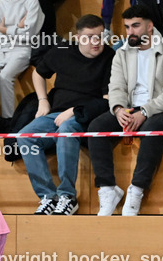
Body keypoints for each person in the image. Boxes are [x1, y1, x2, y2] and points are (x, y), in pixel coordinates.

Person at [89, 5, 163, 216]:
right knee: (96, 127)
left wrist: (144, 110)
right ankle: (107, 189)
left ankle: (137, 190)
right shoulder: (121, 54)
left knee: (153, 127)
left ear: (150, 26)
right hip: (130, 108)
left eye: (135, 26)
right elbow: (115, 88)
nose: (130, 32)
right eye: (126, 27)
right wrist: (118, 109)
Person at [19, 15, 115, 216]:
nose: (96, 42)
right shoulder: (62, 50)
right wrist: (42, 100)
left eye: (99, 36)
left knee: (67, 129)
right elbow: (38, 73)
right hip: (55, 112)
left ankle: (67, 196)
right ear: (78, 38)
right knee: (25, 137)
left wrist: (73, 111)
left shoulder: (109, 56)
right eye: (89, 37)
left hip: (84, 113)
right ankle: (48, 196)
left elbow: (106, 100)